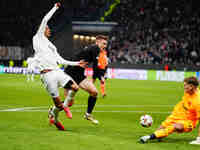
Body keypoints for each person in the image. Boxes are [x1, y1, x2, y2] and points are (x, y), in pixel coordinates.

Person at [32, 2, 87, 131]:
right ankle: (55, 118)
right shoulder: (38, 38)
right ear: (42, 29)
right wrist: (55, 7)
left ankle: (65, 106)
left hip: (57, 71)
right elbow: (45, 19)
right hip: (47, 75)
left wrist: (76, 63)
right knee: (58, 104)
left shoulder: (51, 45)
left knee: (75, 87)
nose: (49, 30)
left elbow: (60, 60)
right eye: (47, 28)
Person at [140, 76, 200, 145]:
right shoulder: (189, 91)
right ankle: (155, 136)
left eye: (185, 85)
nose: (184, 87)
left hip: (189, 121)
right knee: (159, 131)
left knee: (175, 127)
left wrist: (199, 139)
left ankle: (148, 137)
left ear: (191, 86)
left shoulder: (198, 101)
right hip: (176, 114)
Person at [64, 35, 109, 124]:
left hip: (79, 74)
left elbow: (95, 65)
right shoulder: (95, 48)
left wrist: (100, 76)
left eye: (106, 44)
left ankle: (88, 114)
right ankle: (53, 110)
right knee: (69, 103)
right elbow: (96, 66)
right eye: (103, 44)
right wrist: (101, 77)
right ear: (97, 42)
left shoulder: (95, 49)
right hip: (70, 73)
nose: (105, 46)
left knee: (94, 92)